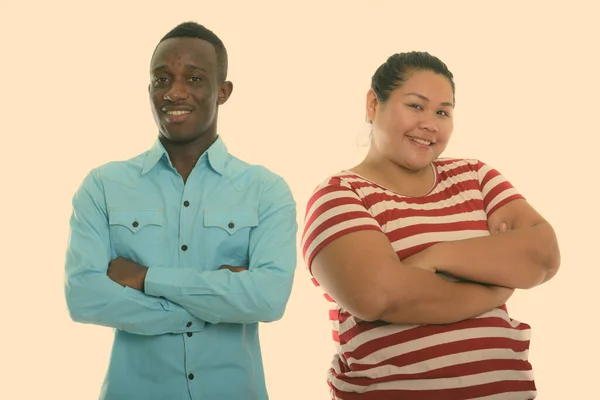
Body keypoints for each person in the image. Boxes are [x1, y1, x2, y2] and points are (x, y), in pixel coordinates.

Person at [301, 51, 560, 399]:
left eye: (443, 112)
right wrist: (494, 286)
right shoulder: (339, 195)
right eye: (415, 106)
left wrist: (438, 257)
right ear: (373, 104)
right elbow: (380, 297)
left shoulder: (476, 176)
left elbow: (542, 257)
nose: (430, 123)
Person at [64, 21, 298, 400]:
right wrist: (216, 302)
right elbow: (84, 297)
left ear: (223, 92)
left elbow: (268, 299)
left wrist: (145, 278)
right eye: (161, 80)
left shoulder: (265, 190)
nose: (175, 92)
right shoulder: (104, 186)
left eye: (193, 78)